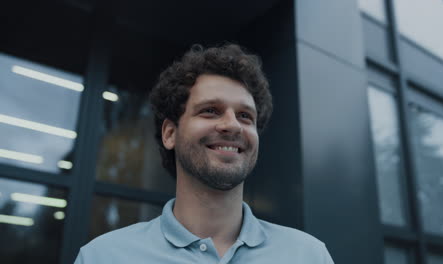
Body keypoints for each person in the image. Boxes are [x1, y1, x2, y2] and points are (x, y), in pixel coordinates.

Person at [74, 43, 334, 263]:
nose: (232, 125)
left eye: (245, 116)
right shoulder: (103, 257)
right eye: (210, 110)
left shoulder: (309, 256)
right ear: (169, 134)